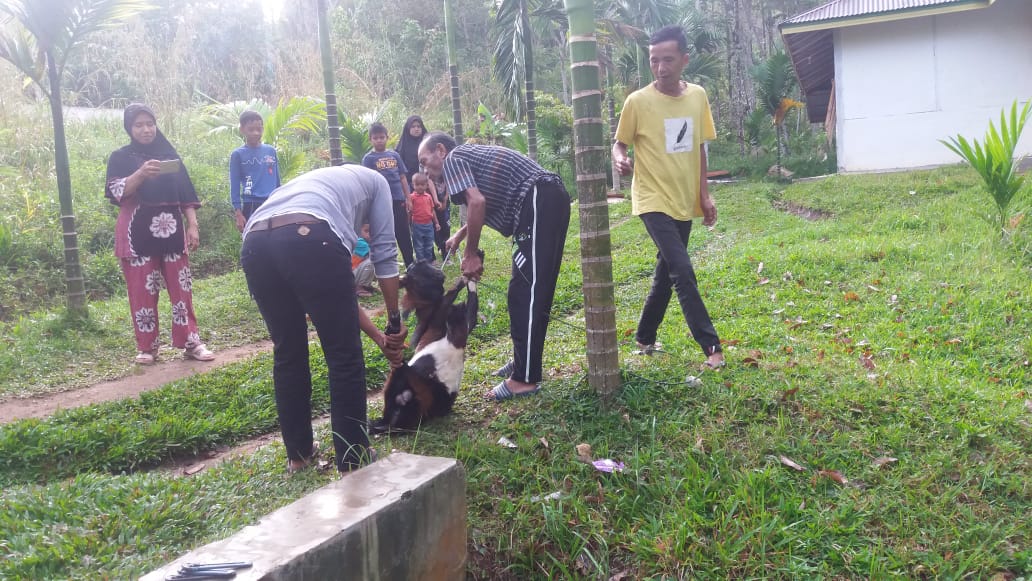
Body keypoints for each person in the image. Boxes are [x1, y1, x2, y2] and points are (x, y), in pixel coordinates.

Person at [241, 165, 407, 473]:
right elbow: (384, 251)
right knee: (343, 354)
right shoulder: (379, 181)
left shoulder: (323, 184)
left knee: (288, 352)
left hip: (255, 242)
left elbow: (339, 297)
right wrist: (394, 317)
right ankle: (353, 457)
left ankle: (299, 456)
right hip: (308, 234)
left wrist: (379, 338)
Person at [418, 132, 571, 401]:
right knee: (525, 289)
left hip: (538, 199)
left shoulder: (453, 159)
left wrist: (471, 254)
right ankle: (523, 362)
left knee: (527, 292)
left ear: (440, 150)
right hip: (544, 200)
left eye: (424, 160)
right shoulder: (466, 158)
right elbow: (484, 200)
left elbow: (477, 202)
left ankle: (525, 378)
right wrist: (462, 234)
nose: (425, 170)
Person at [612, 25, 725, 370]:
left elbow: (700, 149)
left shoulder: (697, 96)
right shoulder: (638, 102)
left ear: (684, 60)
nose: (661, 68)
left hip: (683, 199)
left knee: (665, 271)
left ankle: (644, 337)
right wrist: (618, 157)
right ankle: (712, 347)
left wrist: (704, 196)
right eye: (654, 60)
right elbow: (619, 143)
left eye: (668, 60)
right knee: (681, 269)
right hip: (650, 198)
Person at [104, 103, 216, 366]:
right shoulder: (120, 157)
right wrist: (141, 173)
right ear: (129, 128)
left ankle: (192, 342)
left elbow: (186, 194)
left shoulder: (169, 154)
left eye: (150, 123)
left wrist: (193, 225)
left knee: (182, 290)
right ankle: (147, 347)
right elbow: (118, 191)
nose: (146, 129)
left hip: (172, 232)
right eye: (139, 125)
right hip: (136, 234)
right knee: (142, 293)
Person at [396, 116, 451, 259]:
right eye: (413, 126)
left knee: (439, 218)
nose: (416, 129)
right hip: (413, 188)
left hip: (433, 185)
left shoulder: (428, 145)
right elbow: (400, 173)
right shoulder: (402, 148)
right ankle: (427, 256)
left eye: (419, 126)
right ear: (408, 129)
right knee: (419, 220)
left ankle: (444, 248)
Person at [363, 122, 414, 268]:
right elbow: (367, 182)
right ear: (370, 140)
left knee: (403, 232)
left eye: (382, 137)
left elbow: (403, 177)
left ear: (387, 138)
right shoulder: (368, 159)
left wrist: (408, 198)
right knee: (383, 234)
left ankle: (411, 264)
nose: (379, 140)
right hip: (380, 203)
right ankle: (385, 264)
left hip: (398, 201)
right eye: (375, 138)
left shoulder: (394, 155)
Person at [229, 110, 281, 232]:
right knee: (254, 240)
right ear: (242, 129)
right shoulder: (238, 155)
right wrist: (238, 213)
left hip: (272, 203)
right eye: (251, 129)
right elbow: (234, 185)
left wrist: (280, 200)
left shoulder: (271, 151)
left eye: (259, 129)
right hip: (251, 204)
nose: (255, 133)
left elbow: (277, 180)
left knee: (275, 240)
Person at [408, 173, 440, 263]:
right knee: (419, 245)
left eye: (422, 185)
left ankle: (428, 263)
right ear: (413, 185)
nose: (420, 187)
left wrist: (436, 223)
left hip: (429, 224)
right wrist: (408, 224)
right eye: (417, 185)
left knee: (429, 244)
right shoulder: (411, 197)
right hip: (417, 225)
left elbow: (432, 210)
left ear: (426, 185)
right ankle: (421, 263)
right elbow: (409, 212)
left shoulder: (429, 197)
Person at [352, 224, 375, 296]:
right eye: (366, 231)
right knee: (372, 261)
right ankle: (359, 288)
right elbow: (376, 254)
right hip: (352, 273)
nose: (369, 234)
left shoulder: (365, 242)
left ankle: (367, 285)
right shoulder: (360, 242)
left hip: (354, 272)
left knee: (374, 262)